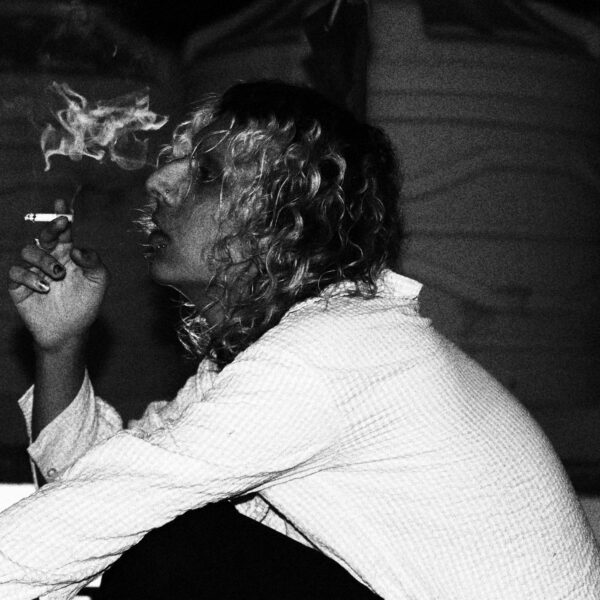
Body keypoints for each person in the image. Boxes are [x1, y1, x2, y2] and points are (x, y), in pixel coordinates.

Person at [2, 80, 599, 600]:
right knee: (161, 535)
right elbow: (97, 483)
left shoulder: (328, 358)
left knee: (170, 551)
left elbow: (111, 504)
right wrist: (61, 345)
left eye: (206, 174)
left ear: (282, 222)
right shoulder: (296, 351)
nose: (158, 180)